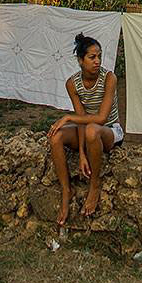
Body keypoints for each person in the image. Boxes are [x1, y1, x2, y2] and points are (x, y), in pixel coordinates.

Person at [47, 32, 123, 225]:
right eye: (92, 57)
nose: (97, 61)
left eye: (99, 56)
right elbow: (81, 121)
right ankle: (66, 190)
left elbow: (101, 118)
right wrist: (81, 153)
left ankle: (94, 185)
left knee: (91, 129)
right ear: (81, 60)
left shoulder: (109, 78)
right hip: (88, 131)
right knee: (56, 136)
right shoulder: (73, 84)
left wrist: (67, 117)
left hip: (109, 131)